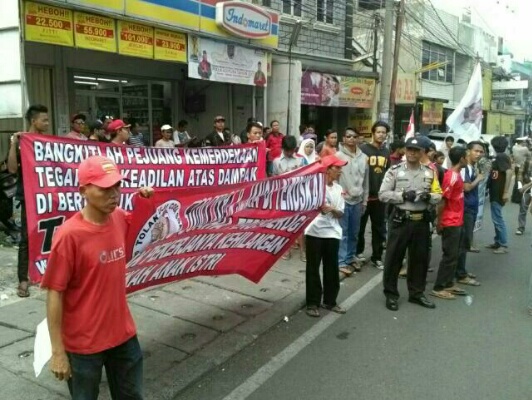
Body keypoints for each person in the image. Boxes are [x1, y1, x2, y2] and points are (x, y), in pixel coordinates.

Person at [41, 155, 153, 399]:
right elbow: (54, 292)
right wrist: (58, 352)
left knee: (132, 396)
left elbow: (149, 225)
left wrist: (146, 199)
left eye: (117, 186)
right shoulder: (69, 236)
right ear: (84, 191)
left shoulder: (119, 217)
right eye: (105, 188)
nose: (114, 194)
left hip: (123, 335)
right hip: (84, 345)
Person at [379, 137, 442, 311]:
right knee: (393, 259)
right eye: (409, 149)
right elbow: (382, 194)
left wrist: (429, 197)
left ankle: (416, 293)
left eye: (416, 150)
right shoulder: (394, 171)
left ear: (423, 152)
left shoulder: (430, 173)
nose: (412, 153)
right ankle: (391, 294)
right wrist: (402, 196)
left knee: (419, 260)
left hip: (421, 221)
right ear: (405, 151)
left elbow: (439, 194)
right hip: (400, 220)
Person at [8, 104, 50, 297]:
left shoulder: (48, 141)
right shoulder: (22, 141)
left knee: (49, 235)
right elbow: (12, 170)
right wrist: (13, 144)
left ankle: (45, 271)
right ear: (34, 121)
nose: (47, 123)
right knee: (27, 237)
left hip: (48, 196)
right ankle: (23, 279)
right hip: (28, 196)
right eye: (44, 120)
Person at [305, 155, 348, 318]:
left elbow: (339, 213)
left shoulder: (338, 189)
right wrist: (328, 209)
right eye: (337, 168)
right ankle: (312, 302)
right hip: (314, 231)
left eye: (340, 168)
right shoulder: (315, 187)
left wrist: (332, 209)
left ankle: (330, 301)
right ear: (328, 169)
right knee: (313, 268)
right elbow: (316, 208)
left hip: (333, 233)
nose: (340, 171)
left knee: (332, 268)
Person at [432, 147, 469, 300]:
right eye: (466, 156)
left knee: (455, 254)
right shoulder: (451, 176)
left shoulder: (458, 175)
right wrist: (439, 222)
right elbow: (442, 200)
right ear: (461, 159)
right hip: (450, 222)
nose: (468, 159)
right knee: (449, 255)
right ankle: (438, 287)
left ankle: (448, 283)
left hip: (458, 220)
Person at [335, 127, 369, 277]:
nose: (351, 139)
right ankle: (341, 261)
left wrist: (365, 201)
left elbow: (366, 182)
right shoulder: (338, 156)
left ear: (358, 139)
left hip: (358, 201)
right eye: (348, 136)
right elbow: (332, 179)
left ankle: (350, 257)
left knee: (355, 232)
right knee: (343, 233)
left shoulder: (364, 157)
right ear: (344, 138)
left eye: (354, 136)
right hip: (343, 200)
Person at [357, 121, 390, 270]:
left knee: (379, 229)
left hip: (379, 198)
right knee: (360, 228)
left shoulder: (386, 152)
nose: (381, 135)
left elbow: (388, 173)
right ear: (373, 133)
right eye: (379, 132)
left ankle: (377, 257)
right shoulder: (363, 149)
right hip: (364, 198)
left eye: (384, 132)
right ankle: (358, 253)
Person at [456, 140, 485, 285]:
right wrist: (479, 179)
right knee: (463, 242)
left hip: (471, 209)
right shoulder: (464, 168)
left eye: (481, 152)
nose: (478, 154)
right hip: (464, 209)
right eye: (476, 151)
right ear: (468, 151)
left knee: (466, 241)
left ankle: (461, 271)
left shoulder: (472, 167)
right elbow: (466, 188)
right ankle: (459, 274)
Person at [272, 136, 305, 261]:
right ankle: (286, 250)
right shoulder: (276, 162)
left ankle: (303, 251)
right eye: (287, 150)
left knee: (300, 225)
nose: (290, 153)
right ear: (283, 148)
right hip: (283, 197)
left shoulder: (301, 160)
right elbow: (274, 179)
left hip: (298, 196)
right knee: (285, 225)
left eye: (292, 150)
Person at [486, 136, 514, 254]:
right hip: (495, 192)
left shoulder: (501, 156)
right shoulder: (500, 157)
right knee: (496, 218)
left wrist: (506, 192)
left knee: (498, 219)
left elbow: (508, 172)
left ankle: (503, 244)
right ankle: (497, 241)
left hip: (498, 193)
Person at [516, 156, 532, 235]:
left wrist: (527, 185)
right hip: (526, 189)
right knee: (523, 208)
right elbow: (519, 175)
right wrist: (520, 187)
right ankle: (521, 227)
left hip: (527, 186)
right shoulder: (525, 161)